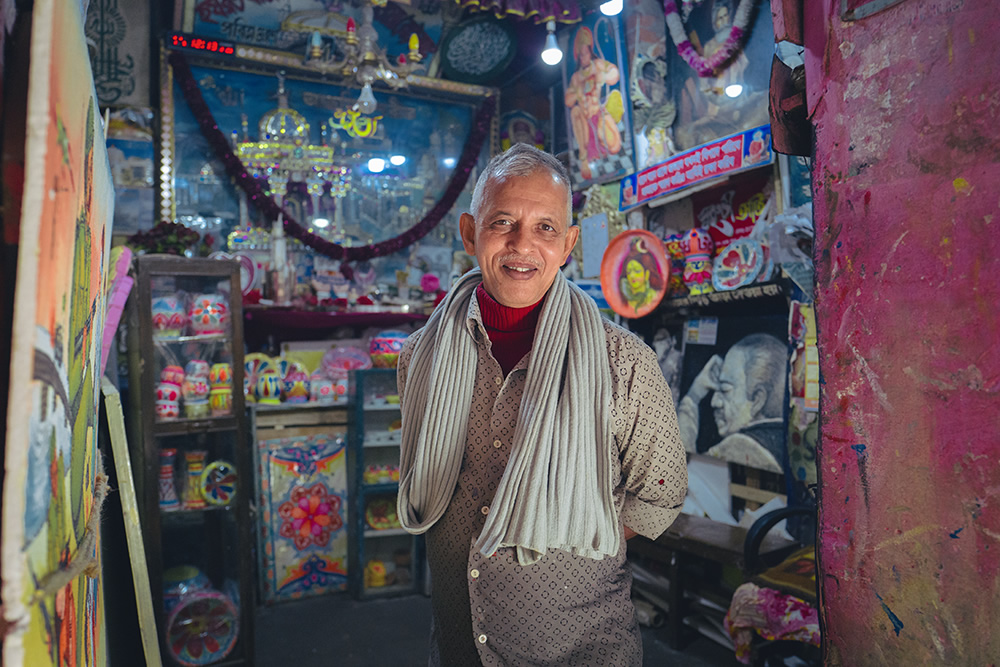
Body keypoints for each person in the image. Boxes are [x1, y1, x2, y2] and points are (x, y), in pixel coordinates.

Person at [396, 143, 687, 665]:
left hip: (577, 647)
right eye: (502, 222)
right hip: (459, 643)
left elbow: (657, 499)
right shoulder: (421, 357)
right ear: (470, 233)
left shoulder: (624, 361)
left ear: (569, 243)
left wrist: (566, 523)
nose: (521, 245)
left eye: (545, 228)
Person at [677, 332, 787, 473]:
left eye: (724, 390)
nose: (714, 402)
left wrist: (693, 398)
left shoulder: (741, 446)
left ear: (757, 401)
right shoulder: (783, 443)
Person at [564, 26, 623, 180]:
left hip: (599, 113)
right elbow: (568, 100)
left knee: (615, 146)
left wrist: (602, 76)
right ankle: (584, 158)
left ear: (590, 51)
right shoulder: (576, 77)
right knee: (575, 112)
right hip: (584, 121)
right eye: (581, 55)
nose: (584, 57)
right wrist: (578, 91)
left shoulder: (597, 65)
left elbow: (614, 74)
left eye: (586, 53)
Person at [618, 237, 663, 315]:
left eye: (637, 271)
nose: (632, 276)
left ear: (647, 274)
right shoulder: (625, 300)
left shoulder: (654, 297)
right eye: (629, 272)